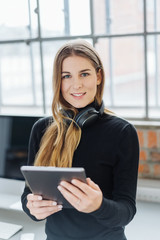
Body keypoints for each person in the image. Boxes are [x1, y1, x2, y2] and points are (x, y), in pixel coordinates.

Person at [21, 39, 139, 240]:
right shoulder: (41, 129)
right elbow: (27, 196)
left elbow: (126, 212)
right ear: (58, 82)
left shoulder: (122, 132)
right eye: (66, 76)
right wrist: (32, 208)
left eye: (84, 74)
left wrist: (99, 206)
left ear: (98, 76)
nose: (76, 84)